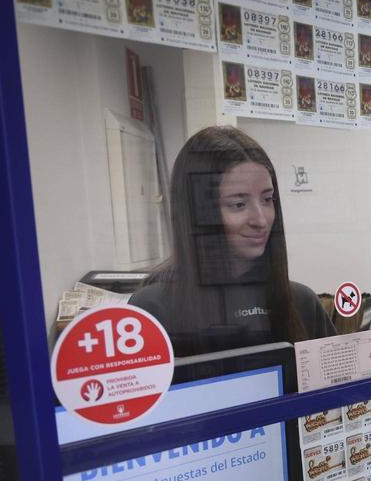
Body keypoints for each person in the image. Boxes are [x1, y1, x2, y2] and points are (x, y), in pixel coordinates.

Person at [131, 126, 334, 356]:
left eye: (267, 199)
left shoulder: (301, 303)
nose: (261, 219)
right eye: (238, 204)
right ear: (199, 214)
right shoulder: (153, 311)